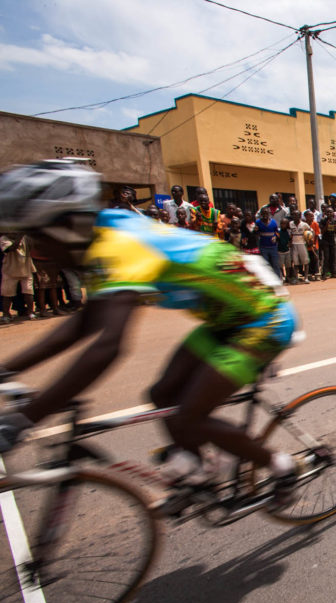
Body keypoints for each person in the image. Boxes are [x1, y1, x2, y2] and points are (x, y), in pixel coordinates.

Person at [0, 160, 301, 505]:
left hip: (264, 319)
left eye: (38, 238)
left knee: (192, 413)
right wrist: (7, 370)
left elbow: (108, 345)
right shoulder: (100, 238)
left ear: (67, 225)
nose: (38, 253)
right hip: (227, 319)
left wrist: (26, 418)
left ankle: (281, 465)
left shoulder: (121, 246)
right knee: (162, 394)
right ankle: (202, 466)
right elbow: (85, 321)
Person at [0, 233, 36, 323]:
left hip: (26, 268)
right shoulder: (4, 239)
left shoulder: (24, 237)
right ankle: (6, 314)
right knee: (7, 294)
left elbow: (32, 247)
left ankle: (30, 312)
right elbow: (11, 249)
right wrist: (20, 236)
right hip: (10, 271)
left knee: (28, 291)